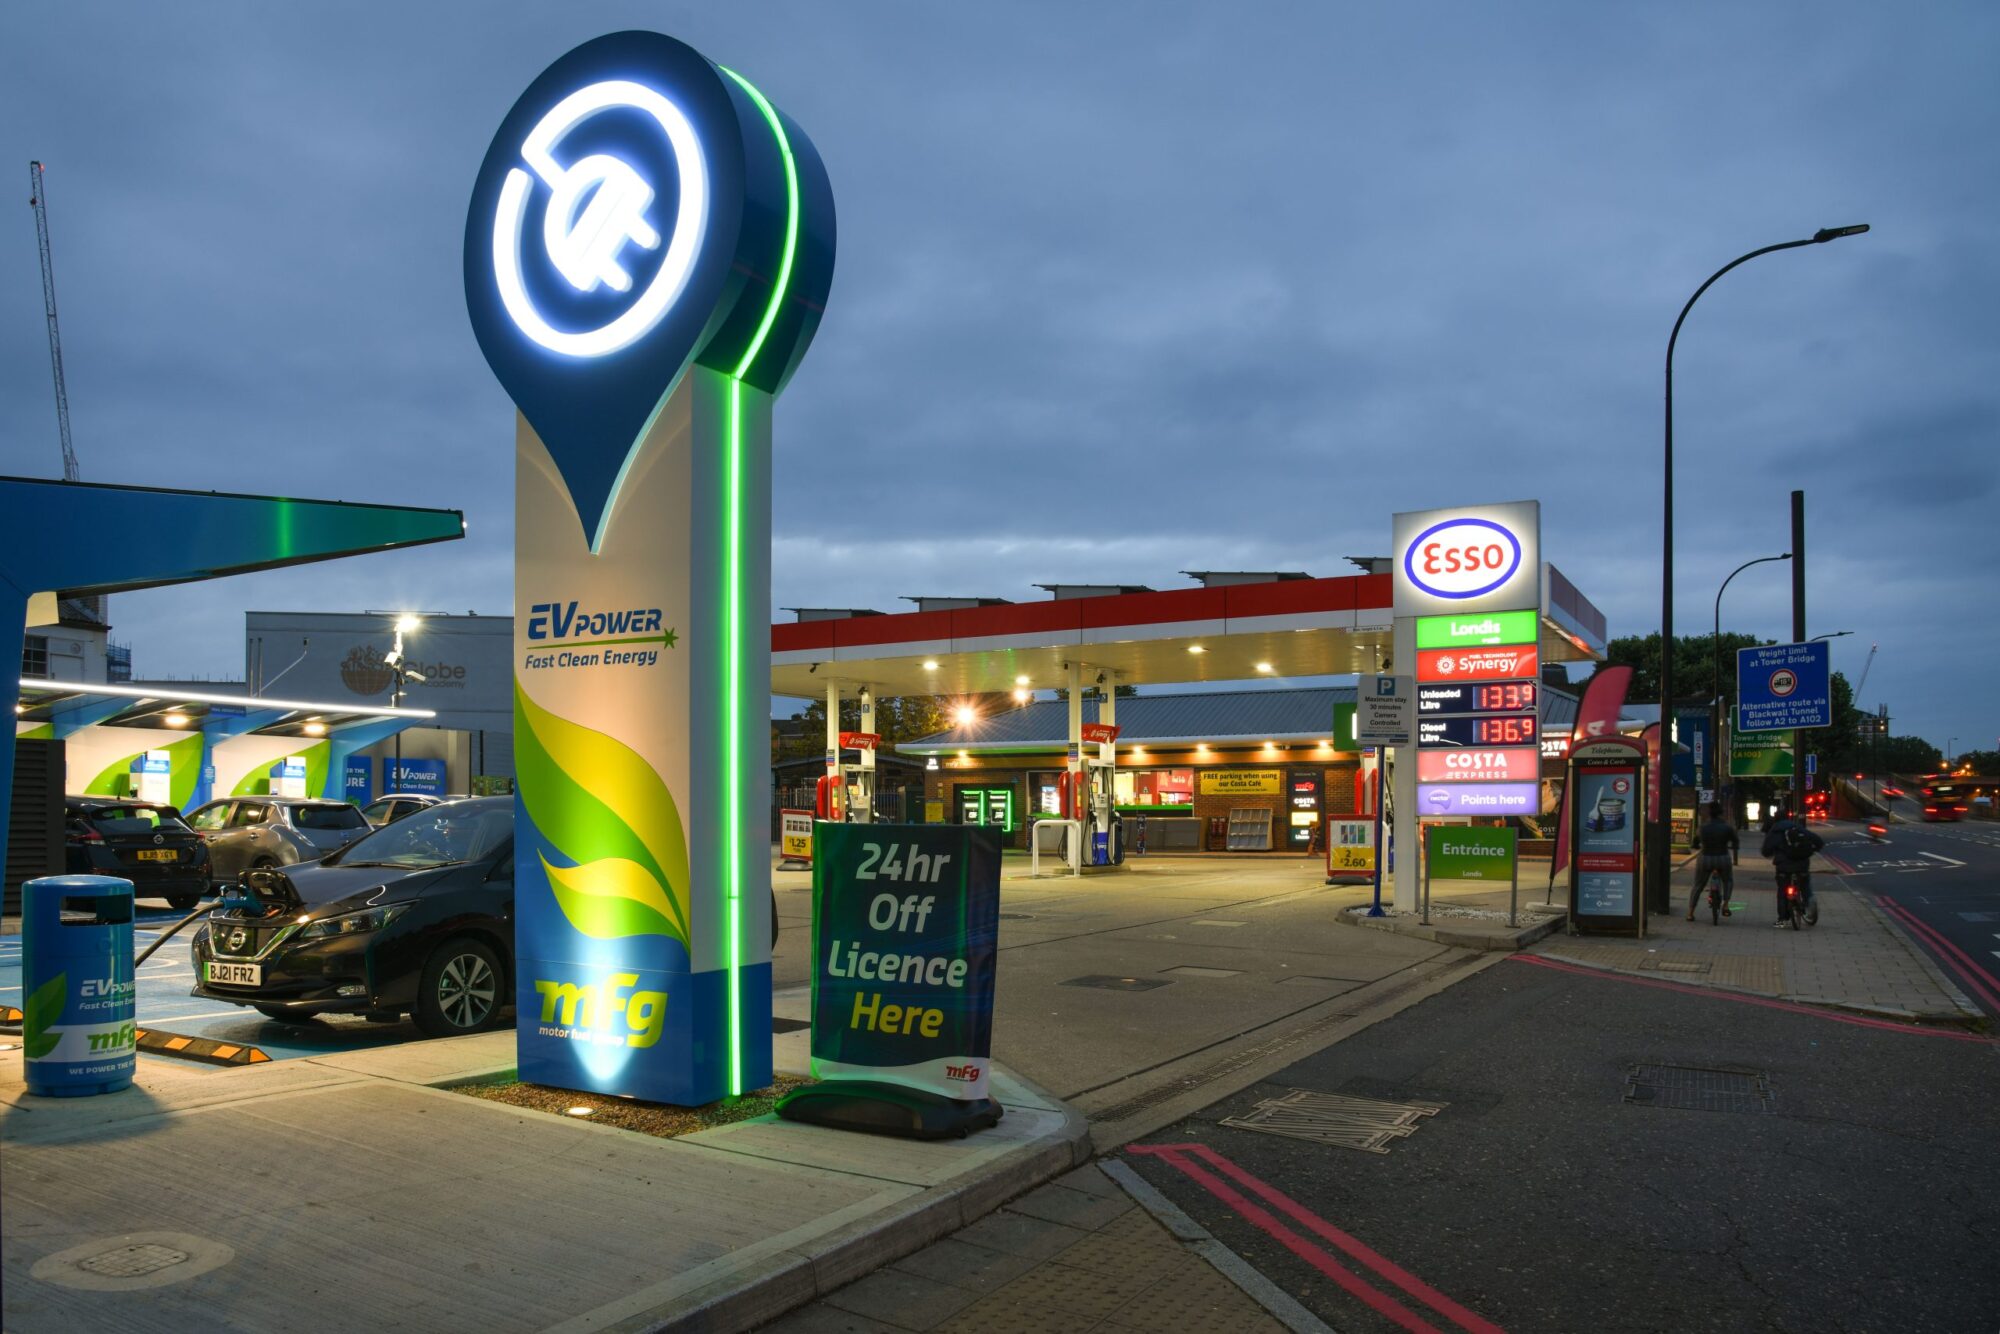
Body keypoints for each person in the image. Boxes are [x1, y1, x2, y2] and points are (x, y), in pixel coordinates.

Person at [1760, 799, 1824, 926]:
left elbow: (1765, 851)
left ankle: (1783, 918)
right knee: (1805, 883)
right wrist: (1813, 850)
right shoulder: (1796, 827)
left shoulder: (1774, 831)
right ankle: (1809, 901)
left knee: (1782, 890)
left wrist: (1772, 853)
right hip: (1802, 863)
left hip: (1783, 867)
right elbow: (1818, 840)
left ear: (1776, 819)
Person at [1687, 801, 1738, 921]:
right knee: (1728, 880)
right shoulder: (1726, 827)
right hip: (1722, 858)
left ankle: (1690, 912)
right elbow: (1735, 841)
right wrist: (1734, 847)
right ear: (1721, 813)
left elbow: (1695, 842)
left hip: (1705, 858)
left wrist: (1697, 846)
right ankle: (1725, 904)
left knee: (1698, 884)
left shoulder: (1703, 827)